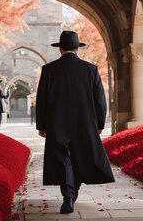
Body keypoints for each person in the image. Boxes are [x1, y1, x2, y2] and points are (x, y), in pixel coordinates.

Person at [36, 30, 114, 214]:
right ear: (77, 49)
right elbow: (100, 100)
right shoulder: (91, 69)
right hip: (84, 122)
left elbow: (42, 99)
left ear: (60, 49)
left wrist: (42, 124)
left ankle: (68, 196)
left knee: (63, 157)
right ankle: (71, 194)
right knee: (79, 156)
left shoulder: (49, 70)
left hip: (57, 122)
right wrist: (100, 123)